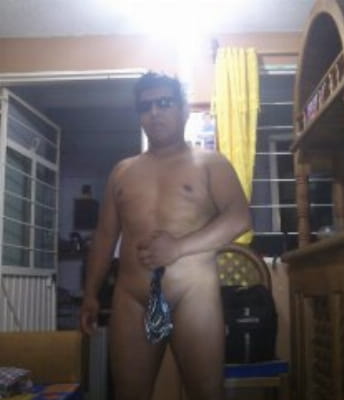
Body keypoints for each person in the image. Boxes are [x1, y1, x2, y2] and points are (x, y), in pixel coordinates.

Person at [80, 72, 252, 400]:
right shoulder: (122, 171)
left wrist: (178, 248)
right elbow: (104, 237)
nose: (154, 112)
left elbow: (239, 218)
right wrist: (90, 293)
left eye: (164, 103)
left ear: (184, 110)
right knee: (129, 394)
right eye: (145, 106)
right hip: (133, 296)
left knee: (206, 393)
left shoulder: (210, 162)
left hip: (193, 294)